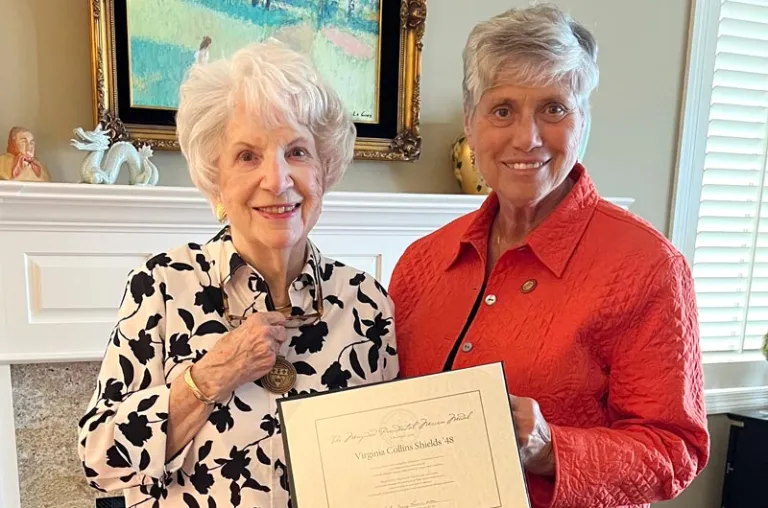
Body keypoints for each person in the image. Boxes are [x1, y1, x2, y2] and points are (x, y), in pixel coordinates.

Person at [388, 5, 709, 508]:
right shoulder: (422, 262)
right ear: (471, 126)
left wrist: (548, 449)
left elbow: (675, 450)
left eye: (554, 108)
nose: (527, 138)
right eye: (502, 110)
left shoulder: (647, 266)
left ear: (584, 121)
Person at [77, 43, 398, 507]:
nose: (277, 179)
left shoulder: (366, 302)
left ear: (324, 170)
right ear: (216, 177)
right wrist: (208, 378)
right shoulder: (164, 285)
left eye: (298, 152)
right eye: (247, 156)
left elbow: (387, 469)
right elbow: (98, 462)